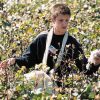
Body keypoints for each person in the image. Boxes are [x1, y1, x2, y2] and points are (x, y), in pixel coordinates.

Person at [0, 4, 100, 84]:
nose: (64, 24)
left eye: (67, 20)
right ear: (52, 20)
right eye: (61, 20)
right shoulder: (42, 38)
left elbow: (84, 69)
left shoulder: (72, 42)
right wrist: (14, 60)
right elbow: (28, 60)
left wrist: (95, 62)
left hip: (62, 87)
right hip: (40, 83)